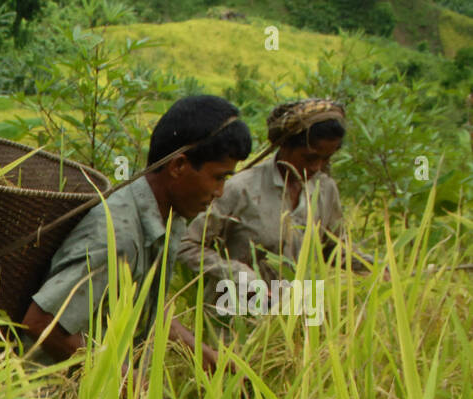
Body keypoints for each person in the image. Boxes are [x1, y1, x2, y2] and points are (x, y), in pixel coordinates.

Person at [18, 95, 252, 373]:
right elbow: (41, 323)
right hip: (52, 398)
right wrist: (120, 380)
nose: (220, 193)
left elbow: (143, 304)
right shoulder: (117, 236)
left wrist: (200, 351)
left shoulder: (167, 217)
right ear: (178, 166)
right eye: (218, 177)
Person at [178, 99, 367, 336]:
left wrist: (376, 267)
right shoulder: (240, 188)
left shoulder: (325, 189)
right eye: (310, 158)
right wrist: (238, 273)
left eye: (326, 159)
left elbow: (334, 248)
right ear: (284, 145)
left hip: (298, 320)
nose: (318, 167)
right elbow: (187, 245)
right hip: (238, 320)